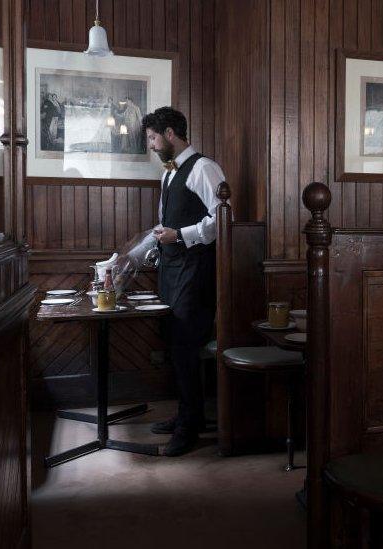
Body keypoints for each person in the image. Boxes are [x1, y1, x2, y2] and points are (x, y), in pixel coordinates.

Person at [140, 106, 225, 456]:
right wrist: (142, 252)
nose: (152, 145)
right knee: (176, 347)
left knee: (187, 347)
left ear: (171, 133)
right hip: (171, 269)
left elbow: (222, 218)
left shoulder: (204, 168)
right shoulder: (168, 173)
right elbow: (165, 225)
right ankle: (184, 415)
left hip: (196, 271)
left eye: (153, 138)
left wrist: (181, 235)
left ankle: (190, 427)